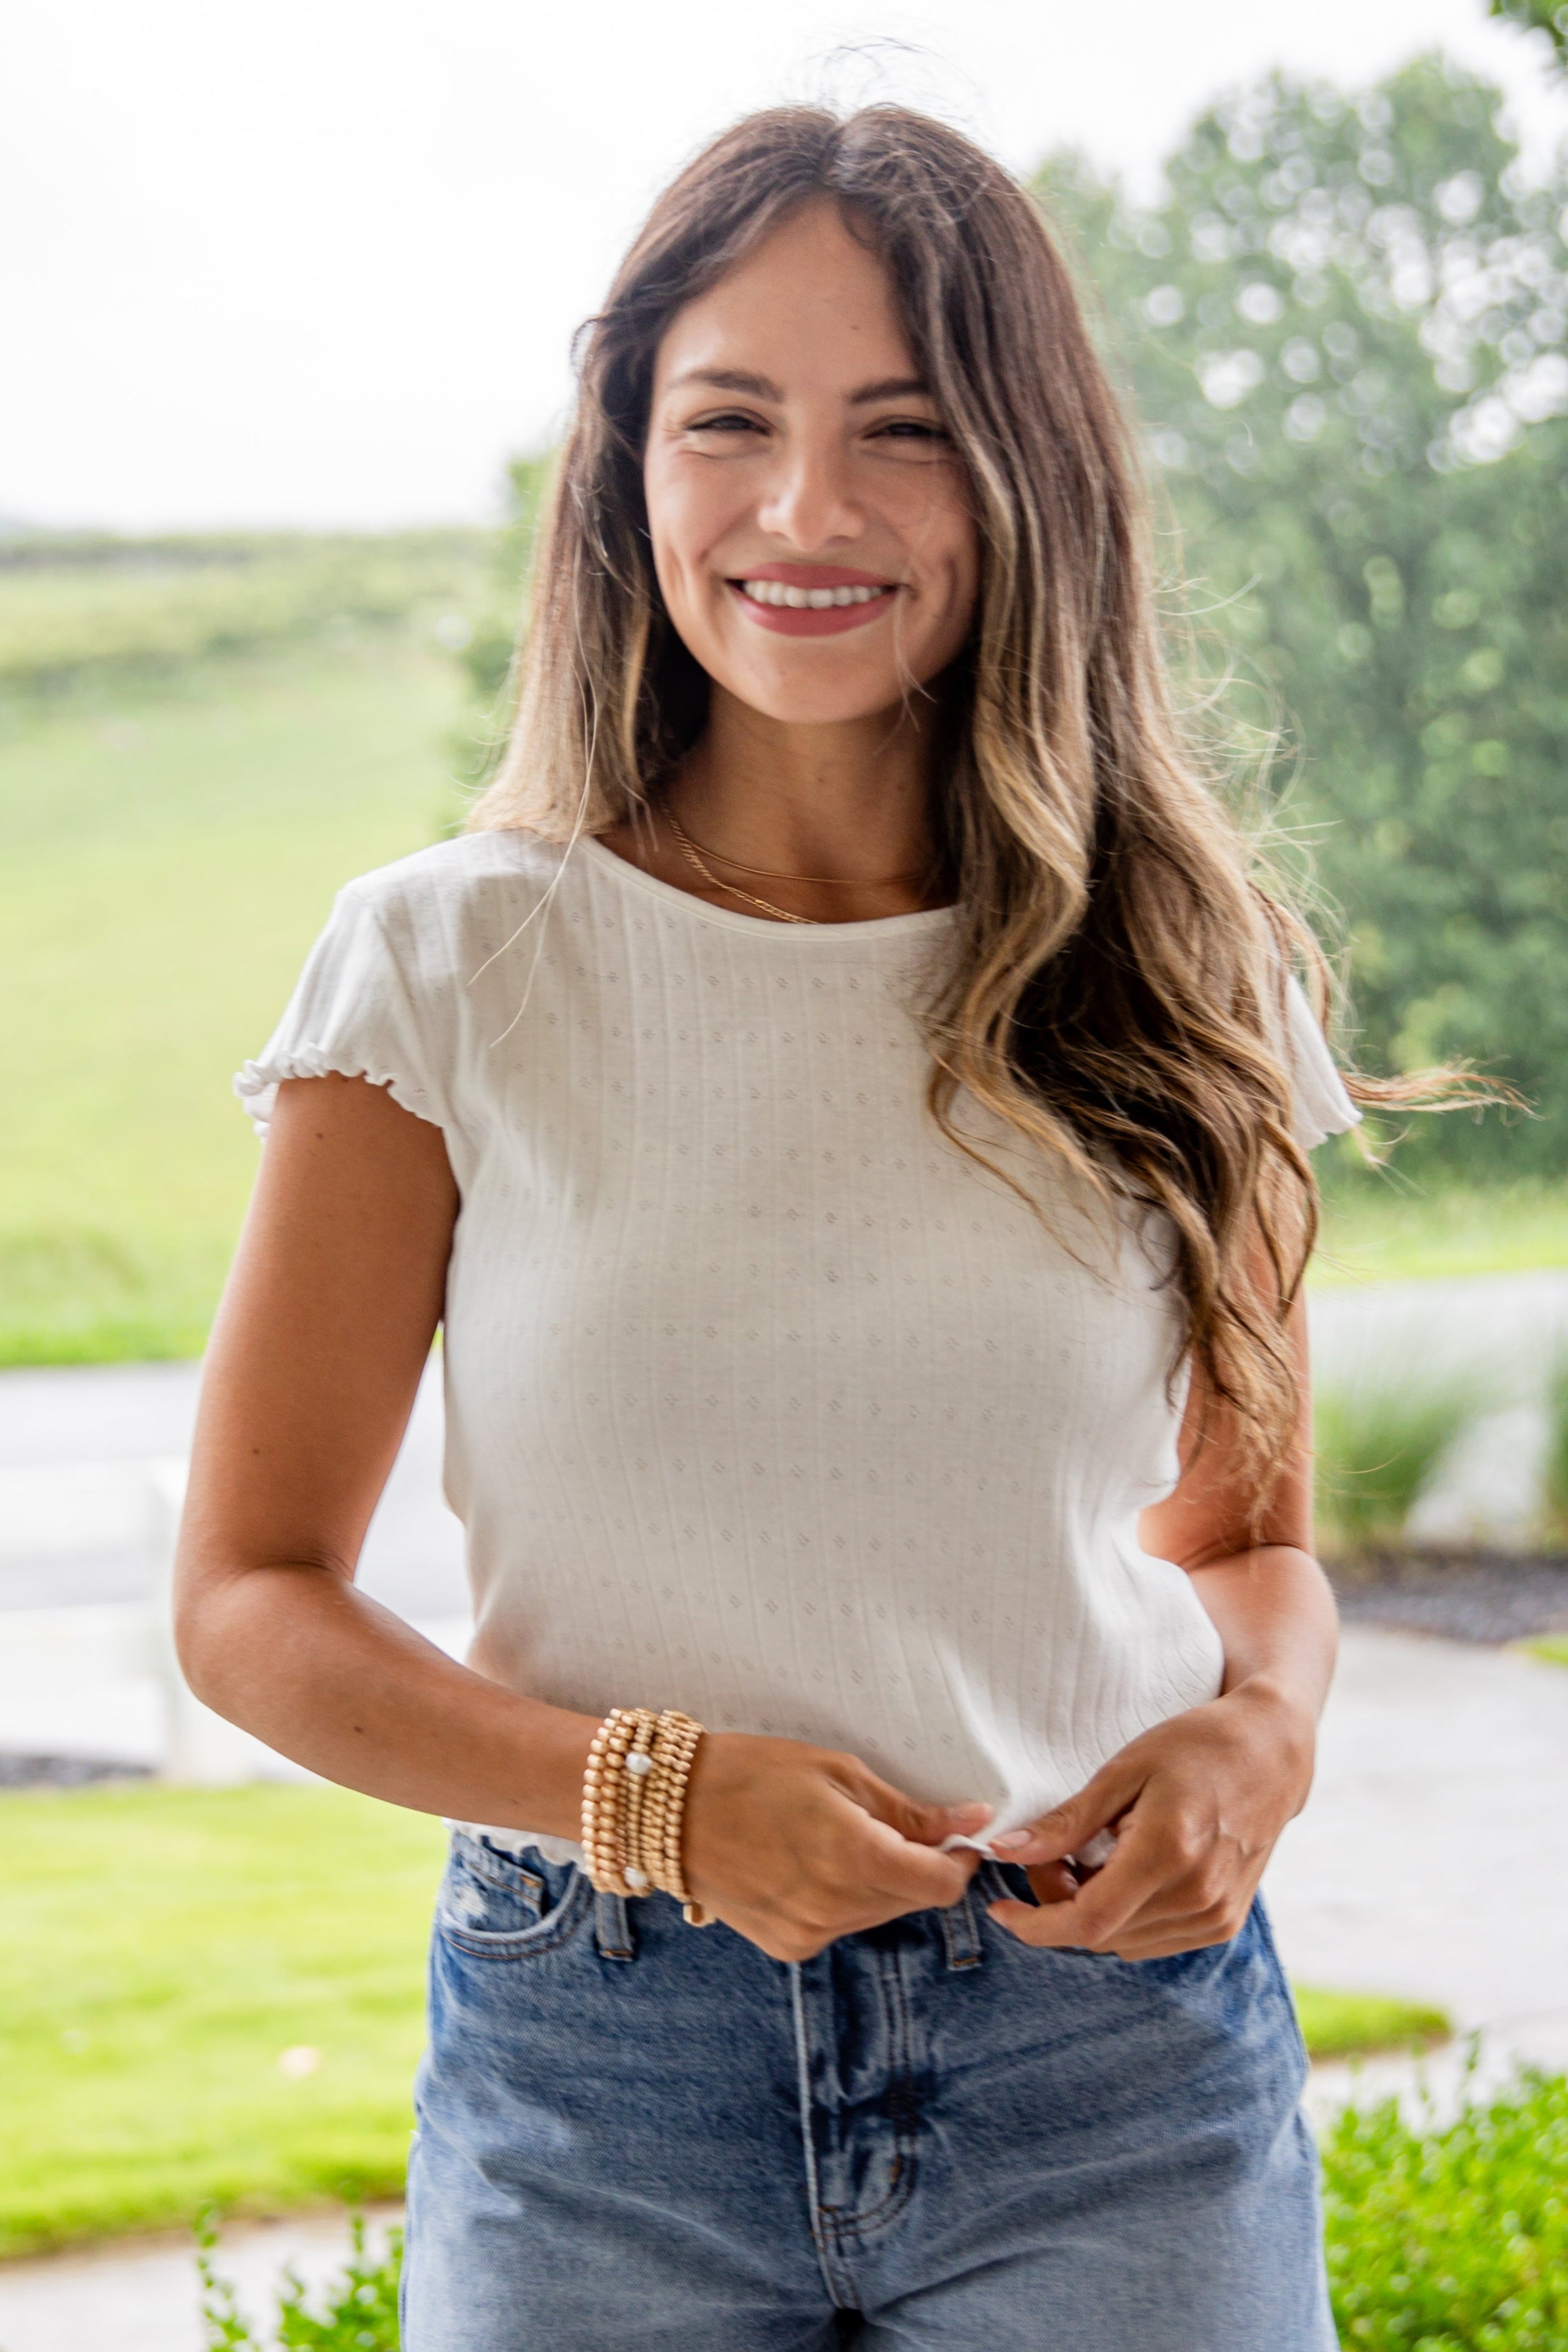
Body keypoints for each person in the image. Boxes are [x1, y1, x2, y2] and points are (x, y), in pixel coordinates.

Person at [177, 104, 1369, 2349]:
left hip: (1114, 2059)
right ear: (627, 466)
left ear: (1027, 480)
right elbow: (248, 1599)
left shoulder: (1190, 968)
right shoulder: (445, 966)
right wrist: (652, 1796)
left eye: (903, 433)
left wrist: (1262, 1735)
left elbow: (1249, 1543)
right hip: (596, 2068)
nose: (806, 513)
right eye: (728, 422)